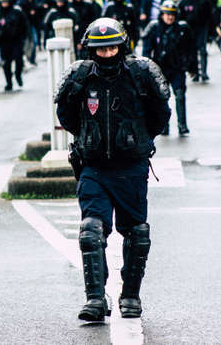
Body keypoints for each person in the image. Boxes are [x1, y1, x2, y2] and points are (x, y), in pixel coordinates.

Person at [54, 18, 171, 321]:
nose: (106, 54)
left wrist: (137, 140)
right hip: (93, 166)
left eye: (112, 47)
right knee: (91, 231)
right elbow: (66, 114)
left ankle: (130, 296)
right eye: (100, 49)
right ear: (90, 49)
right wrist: (89, 138)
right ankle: (95, 298)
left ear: (122, 45)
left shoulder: (141, 74)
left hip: (131, 167)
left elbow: (160, 114)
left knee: (137, 233)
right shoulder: (80, 76)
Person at [142, 0, 195, 135]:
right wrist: (145, 70)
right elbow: (146, 51)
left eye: (172, 14)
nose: (169, 17)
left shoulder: (182, 28)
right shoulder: (154, 28)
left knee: (180, 95)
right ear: (161, 14)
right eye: (166, 14)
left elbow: (191, 49)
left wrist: (192, 67)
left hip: (177, 69)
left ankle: (182, 126)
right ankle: (164, 126)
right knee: (161, 99)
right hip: (160, 70)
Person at [0, 0, 27, 91]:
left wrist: (22, 37)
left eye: (7, 2)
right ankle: (9, 82)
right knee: (6, 63)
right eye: (3, 2)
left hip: (16, 40)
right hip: (4, 42)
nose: (5, 4)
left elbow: (24, 25)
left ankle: (18, 75)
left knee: (19, 60)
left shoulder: (17, 12)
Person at [178, 0, 212, 81]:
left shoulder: (204, 0)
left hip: (201, 28)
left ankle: (204, 72)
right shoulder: (184, 1)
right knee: (191, 51)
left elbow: (210, 15)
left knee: (202, 50)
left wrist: (211, 30)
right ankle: (195, 72)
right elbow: (181, 16)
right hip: (189, 29)